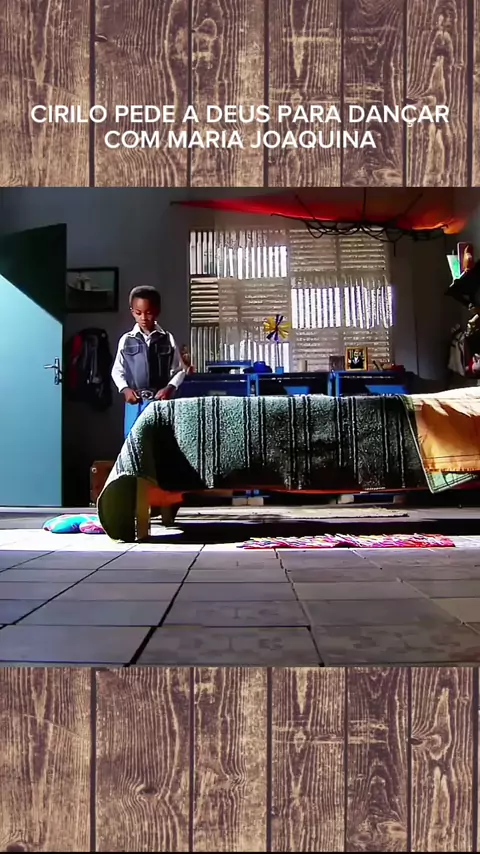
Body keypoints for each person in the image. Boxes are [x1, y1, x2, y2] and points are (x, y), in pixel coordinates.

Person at [111, 285, 186, 437]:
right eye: (138, 313)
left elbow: (179, 370)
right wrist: (125, 389)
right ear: (132, 311)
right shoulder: (126, 340)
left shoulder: (167, 338)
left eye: (149, 313)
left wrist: (169, 388)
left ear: (157, 311)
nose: (144, 318)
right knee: (134, 439)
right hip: (135, 402)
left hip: (160, 401)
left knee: (160, 438)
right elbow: (117, 370)